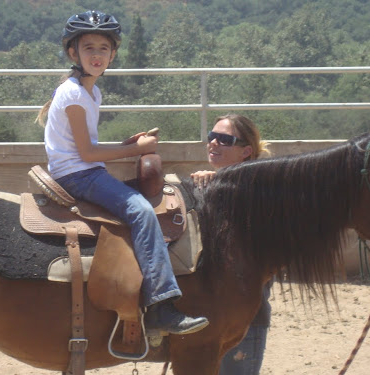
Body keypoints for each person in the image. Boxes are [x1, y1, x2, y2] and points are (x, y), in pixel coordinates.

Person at [37, 10, 209, 336]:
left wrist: (124, 144)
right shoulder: (74, 93)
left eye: (103, 48)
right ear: (73, 53)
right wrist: (137, 150)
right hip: (78, 175)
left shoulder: (91, 91)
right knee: (141, 210)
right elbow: (86, 154)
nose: (97, 55)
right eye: (89, 48)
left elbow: (84, 145)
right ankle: (161, 305)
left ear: (113, 54)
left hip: (83, 169)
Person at [191, 114, 272, 374]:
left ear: (246, 151)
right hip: (210, 316)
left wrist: (218, 181)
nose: (214, 143)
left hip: (245, 319)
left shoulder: (260, 193)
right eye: (211, 137)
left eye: (224, 140)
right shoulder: (212, 186)